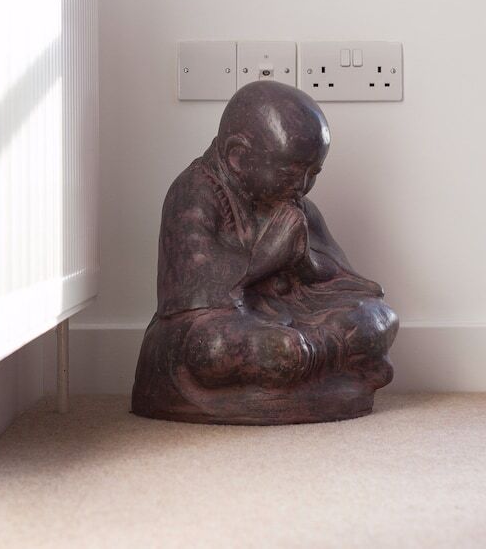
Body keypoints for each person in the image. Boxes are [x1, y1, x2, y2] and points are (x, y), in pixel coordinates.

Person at [131, 81, 398, 424]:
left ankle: (308, 357)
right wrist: (266, 256)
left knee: (379, 316)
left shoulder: (296, 204)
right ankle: (321, 357)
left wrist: (305, 261)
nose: (302, 186)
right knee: (217, 346)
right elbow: (191, 294)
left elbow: (342, 279)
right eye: (291, 172)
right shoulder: (194, 192)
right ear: (238, 157)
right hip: (223, 323)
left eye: (313, 173)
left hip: (291, 318)